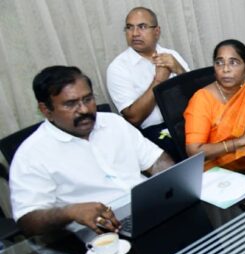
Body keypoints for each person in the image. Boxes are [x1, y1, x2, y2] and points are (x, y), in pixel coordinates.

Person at [11, 66, 174, 236]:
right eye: (71, 104)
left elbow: (157, 161)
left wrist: (174, 186)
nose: (84, 110)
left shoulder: (113, 123)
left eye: (88, 99)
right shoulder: (31, 154)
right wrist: (70, 212)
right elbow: (28, 220)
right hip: (100, 234)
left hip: (151, 208)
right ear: (46, 110)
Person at [184, 39, 245, 171]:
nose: (225, 69)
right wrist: (240, 141)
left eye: (233, 62)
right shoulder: (201, 100)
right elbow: (194, 151)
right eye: (219, 63)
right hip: (214, 170)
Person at [106, 7, 190, 154]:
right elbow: (133, 118)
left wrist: (179, 70)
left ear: (156, 31)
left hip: (188, 120)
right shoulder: (118, 68)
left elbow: (197, 95)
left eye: (142, 27)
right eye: (129, 27)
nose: (135, 33)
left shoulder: (171, 54)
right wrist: (158, 81)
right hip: (153, 132)